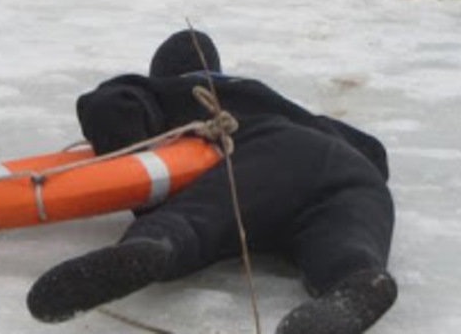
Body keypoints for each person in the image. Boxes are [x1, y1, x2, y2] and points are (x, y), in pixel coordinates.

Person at [26, 29, 397, 334]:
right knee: (345, 243)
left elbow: (109, 108)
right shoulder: (267, 97)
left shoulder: (170, 91)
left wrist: (145, 182)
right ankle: (357, 279)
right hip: (354, 175)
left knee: (194, 221)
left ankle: (152, 246)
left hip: (263, 154)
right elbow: (374, 153)